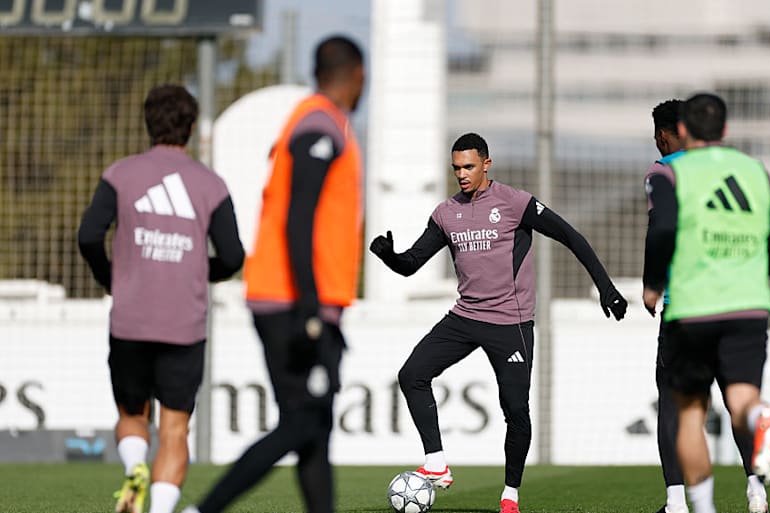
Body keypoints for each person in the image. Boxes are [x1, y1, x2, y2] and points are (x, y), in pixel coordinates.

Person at [369, 132, 628, 513]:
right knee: (412, 374)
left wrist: (606, 288)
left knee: (516, 410)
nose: (461, 174)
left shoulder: (514, 203)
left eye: (469, 166)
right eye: (456, 167)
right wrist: (389, 256)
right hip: (465, 316)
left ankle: (510, 495)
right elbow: (411, 264)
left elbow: (571, 236)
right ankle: (437, 465)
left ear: (486, 164)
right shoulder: (446, 213)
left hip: (512, 322)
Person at [180, 35, 365, 513]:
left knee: (314, 430)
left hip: (292, 298)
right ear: (359, 76)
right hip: (293, 301)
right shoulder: (320, 127)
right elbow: (297, 218)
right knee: (303, 423)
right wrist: (309, 307)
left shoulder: (315, 121)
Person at [77, 84, 245, 513]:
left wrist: (110, 278)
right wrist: (196, 272)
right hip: (183, 324)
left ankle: (135, 466)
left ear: (147, 124)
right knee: (174, 428)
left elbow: (89, 236)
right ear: (190, 128)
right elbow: (233, 256)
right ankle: (161, 508)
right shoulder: (210, 184)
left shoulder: (121, 174)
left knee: (133, 416)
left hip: (130, 319)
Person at [642, 93, 770, 513]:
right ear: (725, 130)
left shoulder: (668, 174)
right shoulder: (756, 172)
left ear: (684, 131)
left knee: (687, 409)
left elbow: (662, 230)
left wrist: (653, 283)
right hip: (748, 307)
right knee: (742, 401)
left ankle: (686, 505)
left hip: (691, 306)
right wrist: (747, 275)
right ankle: (756, 487)